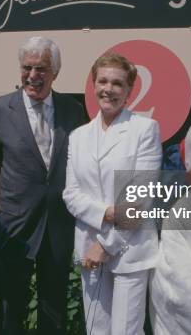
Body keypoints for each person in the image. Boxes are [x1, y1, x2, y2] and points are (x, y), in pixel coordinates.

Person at [0, 36, 86, 334]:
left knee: (54, 310)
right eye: (27, 67)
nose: (33, 75)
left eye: (41, 69)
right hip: (15, 228)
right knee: (11, 309)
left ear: (55, 72)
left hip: (58, 227)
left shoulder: (73, 111)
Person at [63, 53, 162, 335]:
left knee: (125, 332)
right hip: (88, 248)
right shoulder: (78, 136)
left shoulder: (145, 130)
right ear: (93, 85)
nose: (109, 89)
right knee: (96, 330)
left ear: (130, 91)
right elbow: (71, 194)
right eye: (103, 81)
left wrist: (105, 245)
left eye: (117, 84)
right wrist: (106, 212)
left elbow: (141, 197)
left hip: (129, 249)